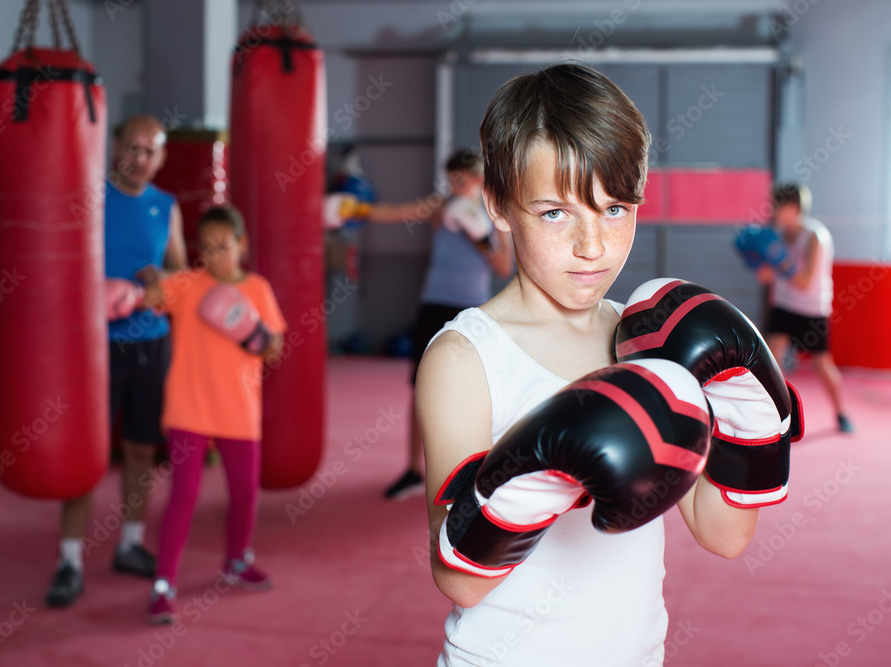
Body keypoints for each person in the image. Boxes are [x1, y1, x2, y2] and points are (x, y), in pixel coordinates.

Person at [415, 63, 763, 665]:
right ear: (498, 205)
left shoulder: (648, 341)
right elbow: (461, 580)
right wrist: (542, 470)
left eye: (614, 208)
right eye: (555, 213)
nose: (592, 245)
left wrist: (752, 424)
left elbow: (723, 534)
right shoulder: (465, 358)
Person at [46, 115, 187, 608]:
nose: (140, 158)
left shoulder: (166, 207)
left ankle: (129, 543)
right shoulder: (88, 196)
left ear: (162, 158)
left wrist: (159, 284)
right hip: (93, 346)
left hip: (151, 342)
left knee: (141, 449)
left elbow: (181, 274)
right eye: (132, 147)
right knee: (85, 452)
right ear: (115, 147)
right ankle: (69, 558)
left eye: (150, 151)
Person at [138, 205, 287, 625]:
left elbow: (274, 348)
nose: (215, 254)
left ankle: (237, 560)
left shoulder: (258, 288)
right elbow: (153, 289)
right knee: (183, 495)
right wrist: (150, 279)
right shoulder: (187, 285)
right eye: (206, 247)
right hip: (189, 408)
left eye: (223, 245)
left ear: (241, 244)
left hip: (239, 411)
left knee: (244, 494)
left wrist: (252, 334)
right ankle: (164, 582)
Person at [354, 149, 514, 500]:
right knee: (421, 384)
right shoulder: (439, 206)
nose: (453, 185)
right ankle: (413, 470)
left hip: (471, 310)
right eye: (450, 178)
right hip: (434, 302)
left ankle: (473, 473)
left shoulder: (492, 214)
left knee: (473, 392)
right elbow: (399, 212)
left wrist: (482, 237)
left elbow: (503, 267)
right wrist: (359, 209)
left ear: (478, 179)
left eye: (460, 178)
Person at [757, 183, 852, 433]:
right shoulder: (777, 234)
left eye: (780, 205)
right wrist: (760, 261)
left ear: (794, 208)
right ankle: (773, 414)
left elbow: (805, 281)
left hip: (812, 310)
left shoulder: (815, 237)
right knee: (771, 357)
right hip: (784, 306)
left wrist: (778, 260)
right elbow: (766, 277)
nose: (775, 211)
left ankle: (842, 412)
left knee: (822, 364)